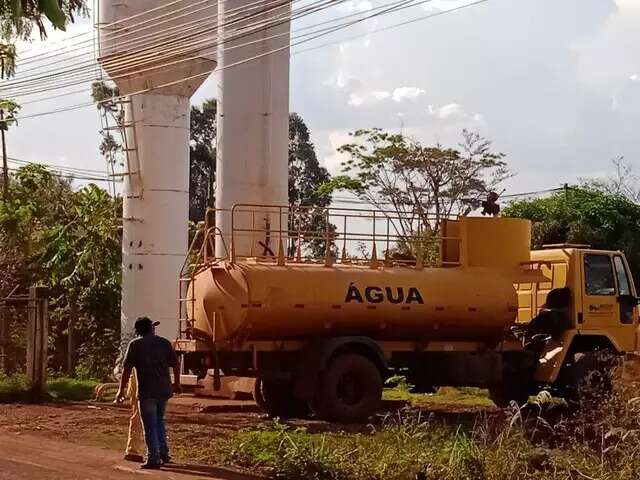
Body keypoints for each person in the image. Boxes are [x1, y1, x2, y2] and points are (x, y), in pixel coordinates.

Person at [116, 317, 182, 469]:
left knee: (149, 425)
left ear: (138, 330)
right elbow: (176, 364)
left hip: (147, 392)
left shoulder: (135, 345)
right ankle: (164, 453)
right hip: (164, 390)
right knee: (159, 421)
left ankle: (154, 457)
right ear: (151, 328)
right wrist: (176, 383)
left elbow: (126, 370)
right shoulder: (164, 343)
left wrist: (121, 391)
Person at [124, 370, 145, 462]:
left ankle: (133, 449)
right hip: (141, 380)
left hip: (139, 379)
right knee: (138, 415)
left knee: (138, 415)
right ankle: (132, 450)